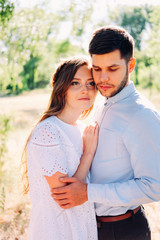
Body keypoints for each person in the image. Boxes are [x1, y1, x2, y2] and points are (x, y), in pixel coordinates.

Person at [51, 26, 160, 240]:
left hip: (124, 230)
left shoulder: (142, 115)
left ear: (131, 65)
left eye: (112, 68)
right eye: (97, 68)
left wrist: (87, 192)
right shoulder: (103, 104)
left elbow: (154, 186)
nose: (102, 78)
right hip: (94, 228)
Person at [22, 57, 99, 240]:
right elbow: (67, 197)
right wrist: (88, 153)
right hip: (56, 232)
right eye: (75, 83)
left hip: (83, 230)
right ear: (61, 87)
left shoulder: (82, 129)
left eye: (91, 83)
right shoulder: (48, 131)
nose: (85, 89)